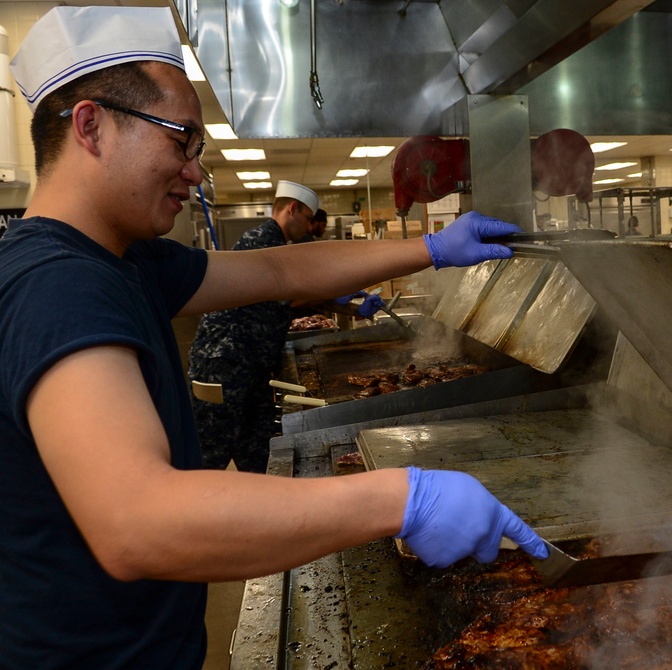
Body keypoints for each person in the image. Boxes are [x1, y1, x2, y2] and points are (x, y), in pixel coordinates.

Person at [0, 7, 547, 669]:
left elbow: (281, 268)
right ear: (91, 126)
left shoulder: (125, 260)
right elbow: (137, 521)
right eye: (181, 141)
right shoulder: (57, 283)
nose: (194, 173)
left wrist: (429, 247)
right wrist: (399, 498)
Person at [187, 181, 354, 473]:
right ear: (293, 209)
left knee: (259, 449)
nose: (307, 226)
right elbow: (291, 294)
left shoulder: (276, 243)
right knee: (211, 453)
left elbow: (295, 294)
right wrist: (340, 294)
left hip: (250, 364)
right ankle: (196, 515)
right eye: (306, 219)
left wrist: (347, 302)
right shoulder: (262, 239)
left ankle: (259, 507)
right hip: (223, 363)